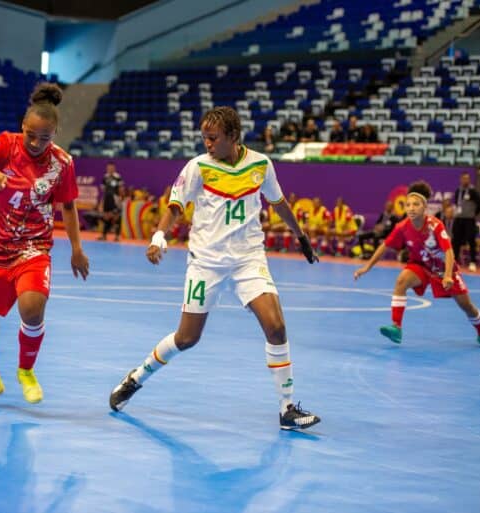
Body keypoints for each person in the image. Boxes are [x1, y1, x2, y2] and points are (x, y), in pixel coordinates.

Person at [109, 106, 321, 430]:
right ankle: (136, 377)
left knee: (276, 326)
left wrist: (301, 236)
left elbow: (278, 203)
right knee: (186, 337)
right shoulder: (198, 167)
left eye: (213, 138)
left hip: (248, 258)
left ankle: (287, 408)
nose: (206, 144)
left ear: (233, 137)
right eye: (204, 138)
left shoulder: (261, 165)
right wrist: (158, 236)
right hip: (205, 262)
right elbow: (175, 206)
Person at [0, 82, 90, 408]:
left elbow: (69, 206)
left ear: (55, 133)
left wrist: (76, 248)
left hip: (32, 248)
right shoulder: (5, 144)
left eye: (44, 137)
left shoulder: (62, 163)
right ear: (23, 128)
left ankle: (26, 370)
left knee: (32, 308)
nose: (36, 143)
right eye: (31, 135)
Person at [353, 181, 480, 349]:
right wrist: (366, 267)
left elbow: (449, 252)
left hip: (443, 269)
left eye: (416, 204)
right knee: (401, 281)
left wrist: (448, 274)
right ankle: (396, 327)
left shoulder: (435, 225)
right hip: (421, 266)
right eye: (408, 205)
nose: (411, 208)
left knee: (467, 306)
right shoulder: (402, 227)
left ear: (424, 207)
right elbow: (385, 246)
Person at [452, 171, 480, 272]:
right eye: (463, 178)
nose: (465, 180)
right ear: (461, 179)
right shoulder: (458, 191)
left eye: (467, 178)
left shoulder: (473, 191)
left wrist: (472, 214)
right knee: (455, 240)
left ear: (469, 180)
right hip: (459, 218)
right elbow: (457, 203)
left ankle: (472, 262)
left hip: (469, 219)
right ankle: (454, 261)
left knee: (471, 240)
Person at [99, 162, 123, 241]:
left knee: (116, 217)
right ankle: (104, 235)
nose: (110, 169)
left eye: (111, 168)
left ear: (114, 168)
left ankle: (117, 236)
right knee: (106, 216)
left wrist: (120, 198)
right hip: (107, 198)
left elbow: (120, 189)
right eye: (108, 168)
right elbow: (103, 189)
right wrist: (103, 201)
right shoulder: (105, 177)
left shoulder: (117, 177)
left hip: (115, 198)